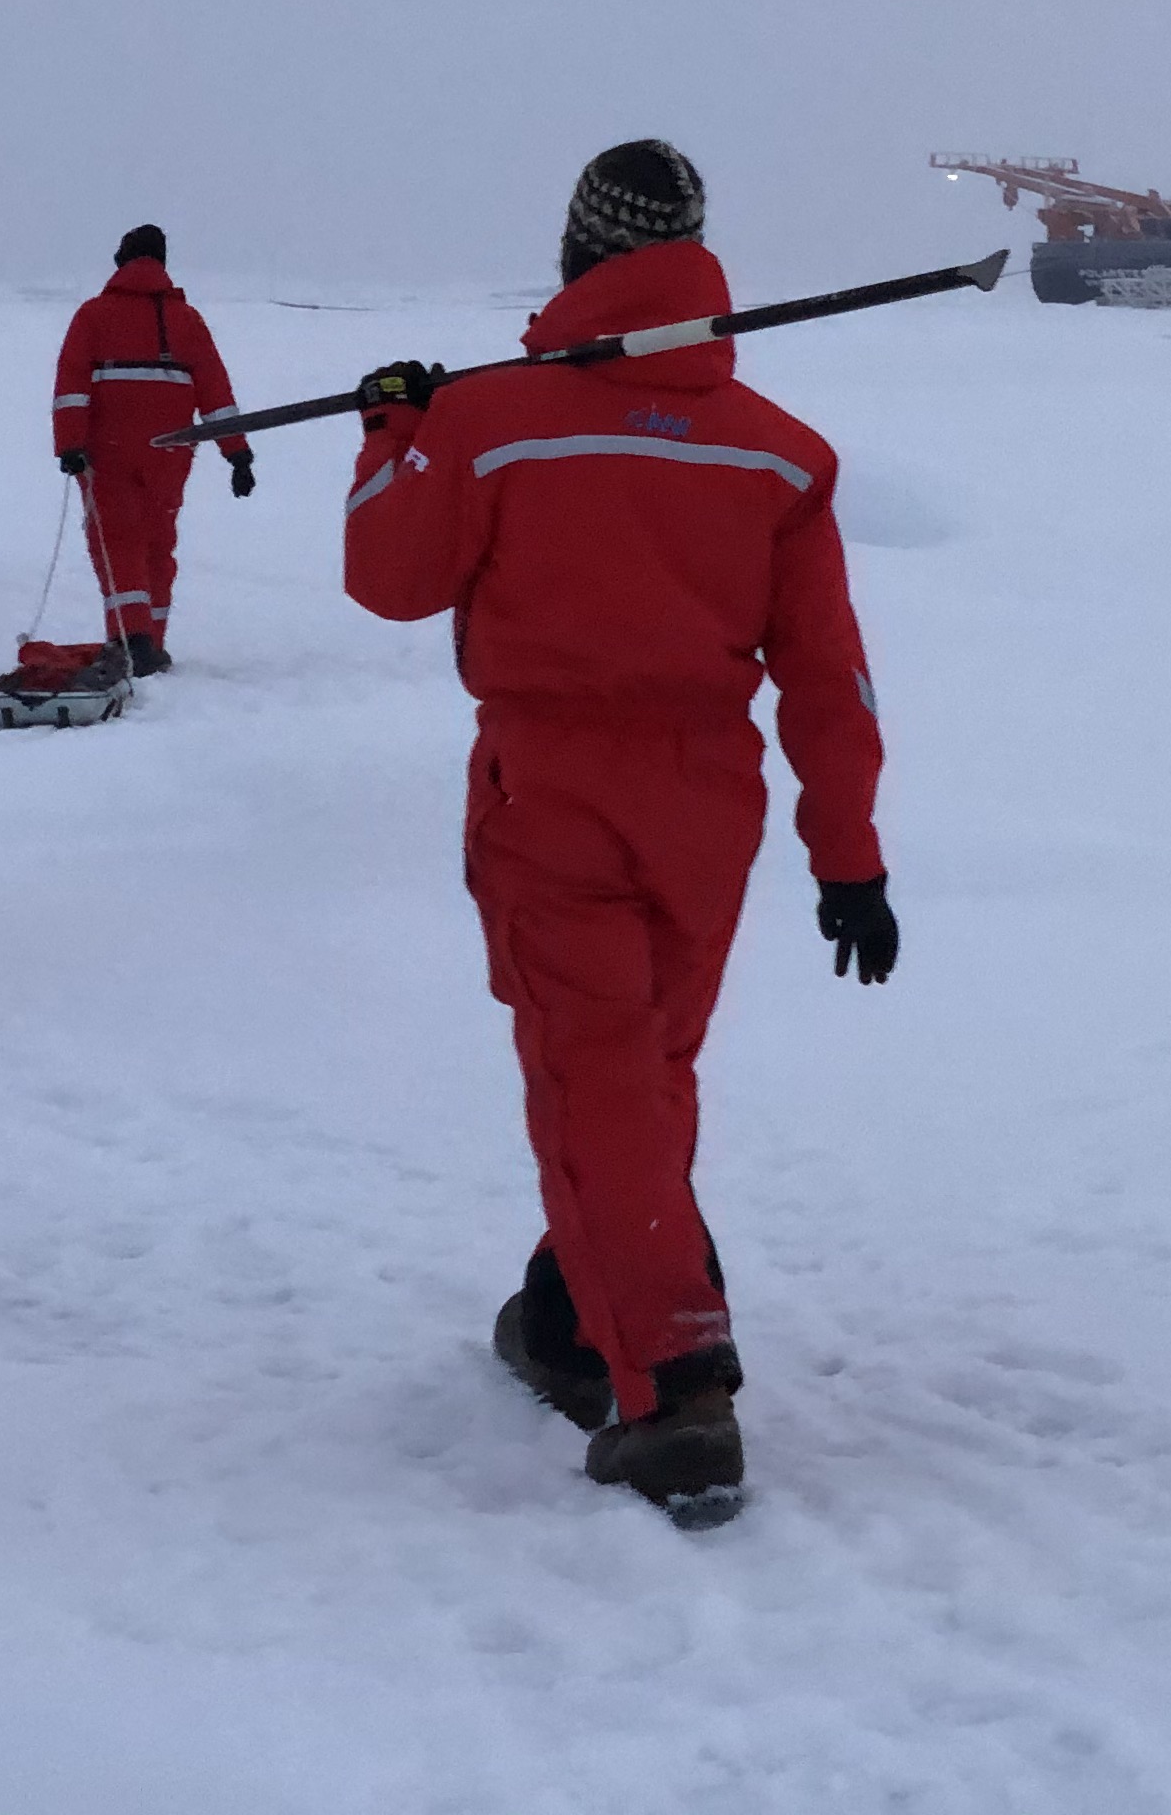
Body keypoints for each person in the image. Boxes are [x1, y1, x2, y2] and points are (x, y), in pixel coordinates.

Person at [343, 140, 896, 1524]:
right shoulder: (778, 454)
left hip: (556, 788)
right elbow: (831, 679)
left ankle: (673, 1384)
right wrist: (849, 858)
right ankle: (581, 1305)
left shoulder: (490, 421)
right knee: (644, 1071)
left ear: (579, 258)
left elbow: (386, 575)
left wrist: (392, 430)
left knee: (595, 1079)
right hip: (710, 805)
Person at [49, 225, 255, 674]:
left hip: (109, 450)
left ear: (121, 261)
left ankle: (132, 641)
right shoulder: (188, 320)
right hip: (170, 452)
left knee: (117, 539)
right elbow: (217, 394)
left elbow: (72, 387)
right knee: (158, 542)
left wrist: (70, 444)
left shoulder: (93, 315)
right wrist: (237, 455)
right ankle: (153, 642)